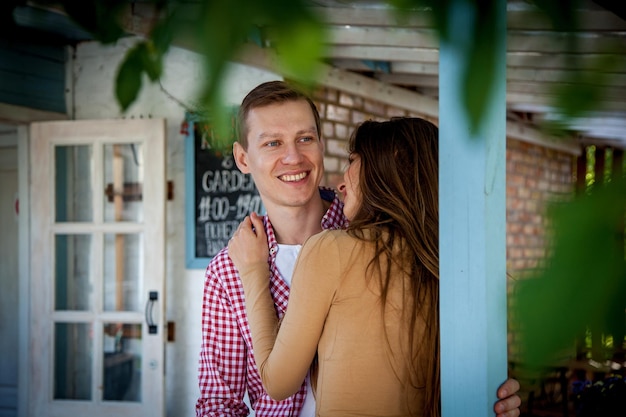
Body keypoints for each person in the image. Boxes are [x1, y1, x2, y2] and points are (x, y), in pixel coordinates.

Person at [196, 81, 521, 417]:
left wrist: (489, 395)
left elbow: (446, 359)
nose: (293, 157)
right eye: (273, 143)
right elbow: (219, 405)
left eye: (305, 139)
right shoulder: (226, 272)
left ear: (322, 146)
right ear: (242, 158)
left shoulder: (399, 246)